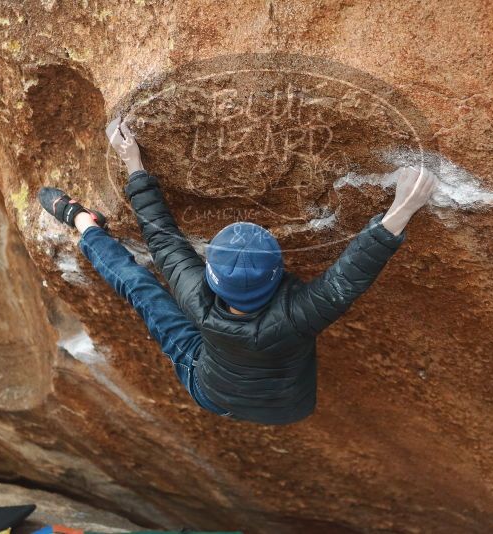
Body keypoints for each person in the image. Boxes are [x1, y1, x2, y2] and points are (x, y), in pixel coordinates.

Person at [38, 117, 439, 425]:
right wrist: (403, 205)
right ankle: (83, 222)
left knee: (141, 289)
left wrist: (133, 163)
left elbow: (162, 240)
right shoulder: (300, 314)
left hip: (214, 392)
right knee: (145, 291)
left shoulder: (199, 297)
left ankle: (83, 223)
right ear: (279, 272)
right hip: (286, 405)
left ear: (211, 276)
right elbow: (351, 273)